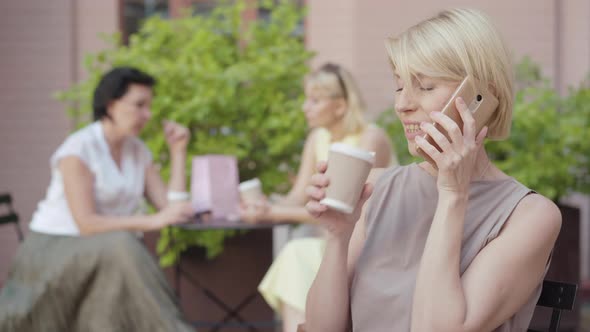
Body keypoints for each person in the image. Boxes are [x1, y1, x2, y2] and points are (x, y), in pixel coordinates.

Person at [304, 9, 561, 332]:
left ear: (481, 98)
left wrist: (453, 194)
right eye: (399, 87)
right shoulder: (376, 188)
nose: (402, 105)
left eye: (424, 86)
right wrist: (338, 236)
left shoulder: (531, 216)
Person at [0, 67, 195, 332]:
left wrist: (178, 152)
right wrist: (152, 221)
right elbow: (86, 224)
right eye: (139, 105)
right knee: (123, 244)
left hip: (106, 253)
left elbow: (170, 208)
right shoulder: (78, 149)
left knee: (121, 247)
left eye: (149, 106)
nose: (147, 115)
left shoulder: (138, 151)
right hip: (54, 249)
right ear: (111, 105)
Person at [241, 63, 396, 332]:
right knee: (296, 256)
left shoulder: (371, 139)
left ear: (340, 106)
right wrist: (266, 205)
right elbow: (298, 196)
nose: (305, 107)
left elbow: (342, 209)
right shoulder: (317, 138)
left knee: (296, 254)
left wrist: (274, 214)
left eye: (315, 100)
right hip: (336, 243)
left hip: (370, 246)